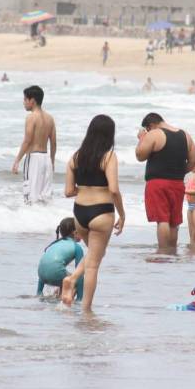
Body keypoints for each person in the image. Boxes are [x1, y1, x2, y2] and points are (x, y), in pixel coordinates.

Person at [61, 115, 125, 311]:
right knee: (93, 265)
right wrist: (122, 214)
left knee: (95, 254)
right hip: (101, 213)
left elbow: (68, 191)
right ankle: (86, 310)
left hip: (79, 213)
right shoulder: (108, 156)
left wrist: (87, 189)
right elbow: (113, 189)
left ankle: (72, 279)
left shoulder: (76, 157)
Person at [135, 113, 195, 250]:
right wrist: (179, 172)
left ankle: (163, 252)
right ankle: (172, 252)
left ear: (150, 125)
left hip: (157, 183)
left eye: (147, 129)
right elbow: (193, 162)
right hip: (177, 183)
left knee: (162, 219)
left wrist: (141, 138)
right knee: (174, 222)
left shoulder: (155, 133)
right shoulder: (185, 135)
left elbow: (140, 155)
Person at [12, 85, 56, 204]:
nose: (23, 102)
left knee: (30, 198)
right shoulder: (50, 118)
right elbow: (53, 143)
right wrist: (52, 162)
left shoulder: (31, 117)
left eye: (25, 99)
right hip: (46, 159)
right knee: (45, 199)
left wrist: (17, 160)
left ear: (32, 100)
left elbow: (27, 141)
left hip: (34, 159)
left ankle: (30, 221)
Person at [37, 217, 85, 300]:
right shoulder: (77, 248)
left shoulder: (54, 244)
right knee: (74, 280)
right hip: (56, 274)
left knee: (64, 277)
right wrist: (80, 299)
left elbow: (45, 265)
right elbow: (79, 274)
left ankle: (57, 298)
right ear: (75, 232)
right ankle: (64, 301)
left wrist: (39, 292)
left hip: (41, 274)